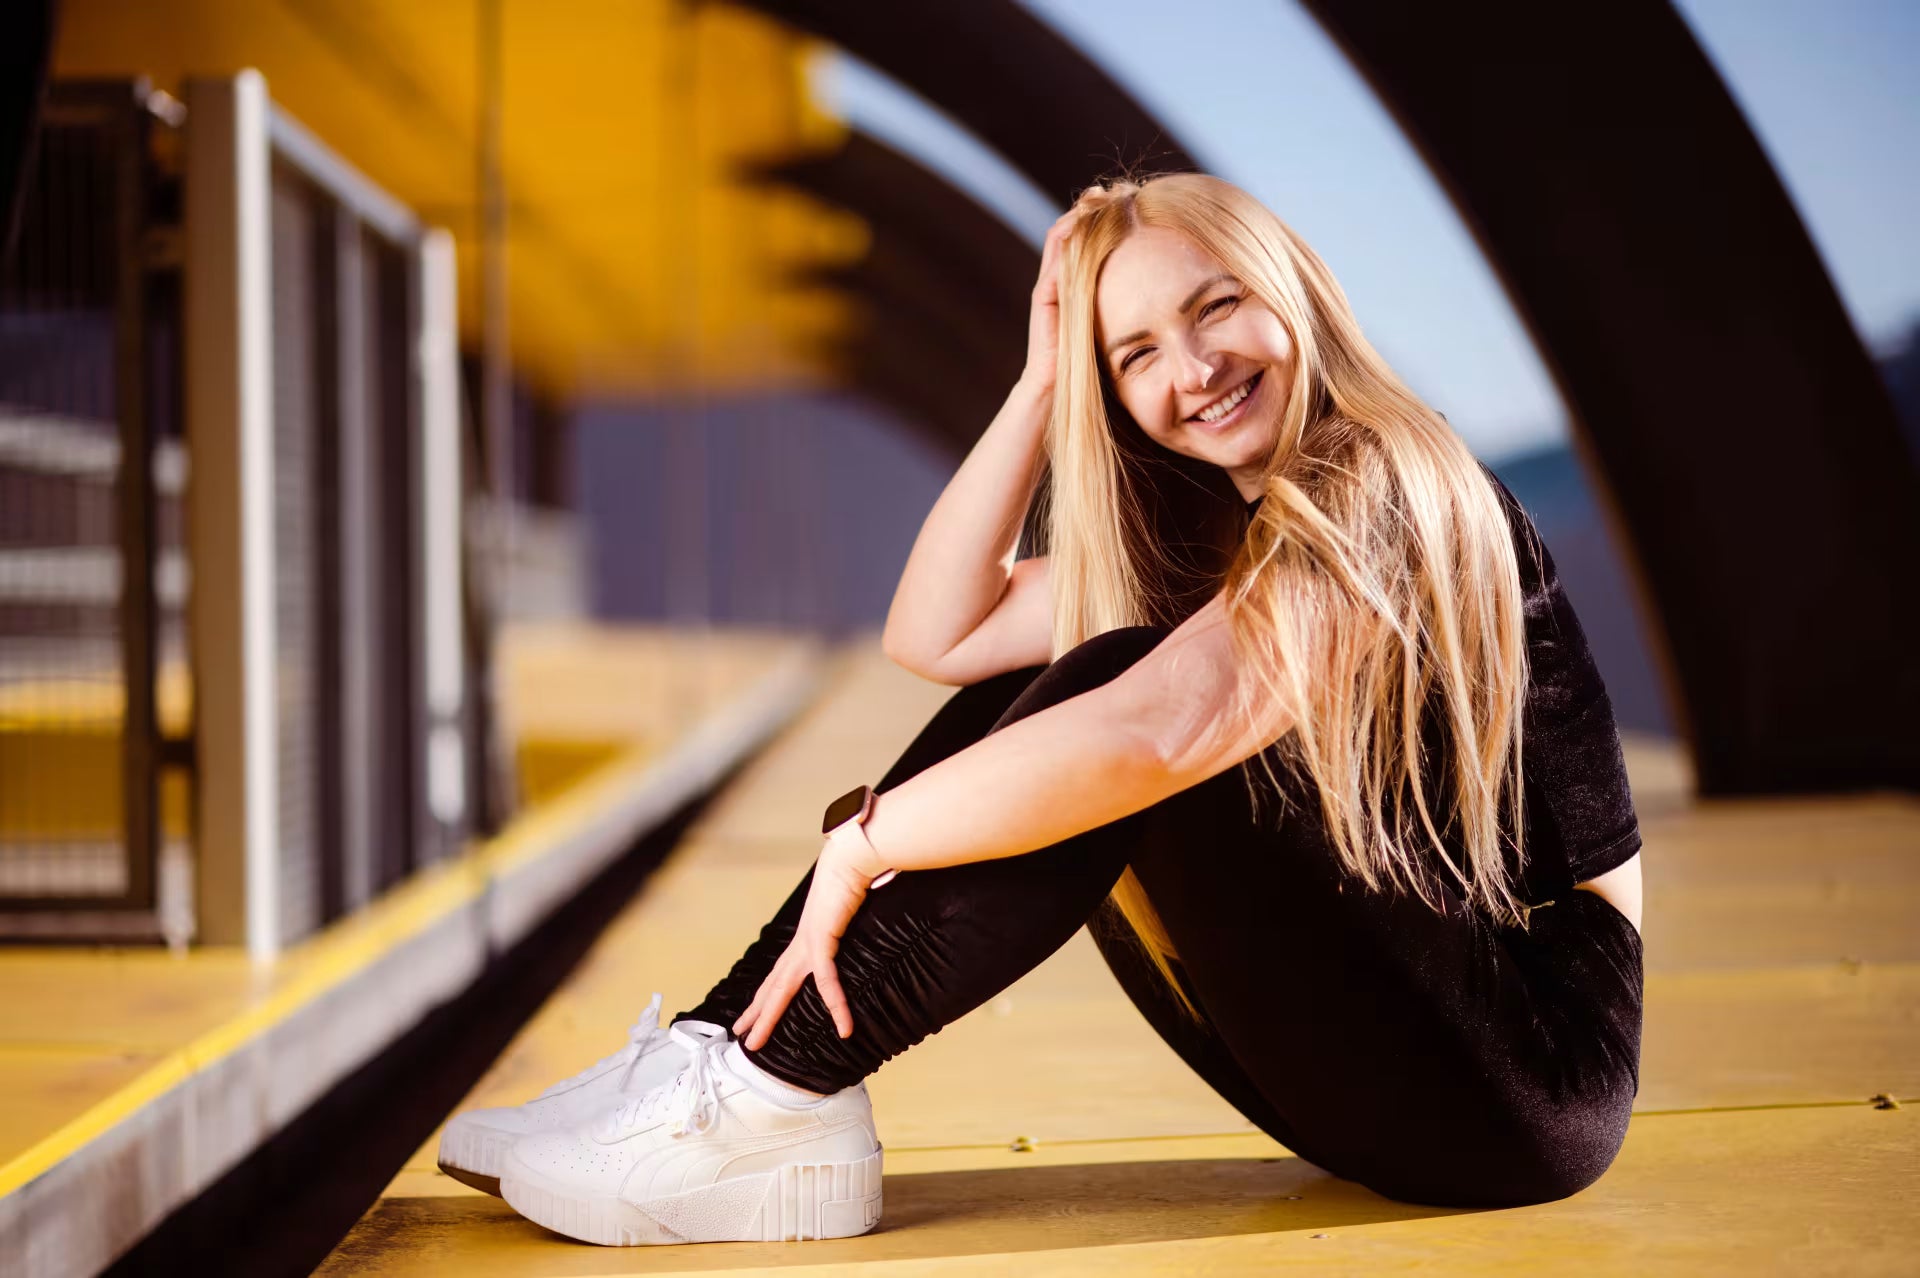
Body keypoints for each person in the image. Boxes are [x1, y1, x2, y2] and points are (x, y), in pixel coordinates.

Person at [443, 171, 1646, 1248]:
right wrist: (1037, 384)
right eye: (1134, 354)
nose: (1192, 369)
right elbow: (941, 636)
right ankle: (729, 1065)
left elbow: (1161, 734)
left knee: (1132, 695)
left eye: (1217, 307)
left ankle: (770, 1089)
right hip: (1376, 1056)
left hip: (1519, 1064)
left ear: (1297, 293)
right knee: (1084, 660)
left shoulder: (1391, 474)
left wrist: (863, 842)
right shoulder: (1210, 528)